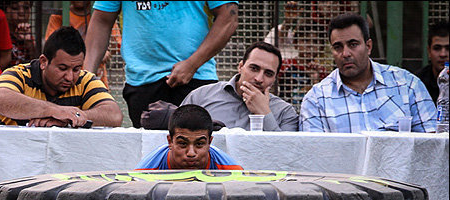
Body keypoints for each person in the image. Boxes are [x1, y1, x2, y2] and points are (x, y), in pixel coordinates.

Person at [84, 1, 239, 128]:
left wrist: (192, 64)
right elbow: (101, 20)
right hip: (142, 83)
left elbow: (228, 18)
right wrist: (85, 80)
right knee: (152, 155)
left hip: (197, 79)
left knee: (197, 153)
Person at [299, 14, 437, 133]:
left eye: (353, 44)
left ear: (368, 46)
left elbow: (430, 144)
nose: (345, 54)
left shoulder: (407, 84)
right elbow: (315, 156)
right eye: (338, 47)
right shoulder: (317, 100)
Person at [0, 25, 122, 127]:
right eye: (62, 68)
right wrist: (53, 111)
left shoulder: (85, 80)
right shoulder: (19, 75)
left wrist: (72, 117)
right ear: (43, 62)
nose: (70, 77)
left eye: (76, 69)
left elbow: (114, 115)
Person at [181, 42, 298, 131]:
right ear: (240, 66)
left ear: (274, 79)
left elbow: (287, 156)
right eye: (254, 68)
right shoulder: (201, 96)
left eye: (268, 73)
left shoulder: (285, 112)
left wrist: (265, 113)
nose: (259, 79)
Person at [136, 104, 243, 170]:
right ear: (170, 141)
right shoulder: (144, 172)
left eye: (199, 144)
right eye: (182, 144)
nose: (191, 153)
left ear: (209, 142)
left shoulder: (232, 171)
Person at [45, 1, 121, 88]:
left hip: (98, 78)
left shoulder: (102, 14)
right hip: (67, 81)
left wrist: (106, 51)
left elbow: (117, 43)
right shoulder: (59, 15)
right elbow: (51, 47)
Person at [416, 21, 449, 103]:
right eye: (437, 48)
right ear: (429, 51)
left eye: (449, 48)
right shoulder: (418, 82)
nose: (443, 54)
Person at [1, 0, 37, 68]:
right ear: (4, 10)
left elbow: (36, 65)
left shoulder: (28, 34)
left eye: (26, 7)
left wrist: (30, 44)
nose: (22, 13)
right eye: (15, 8)